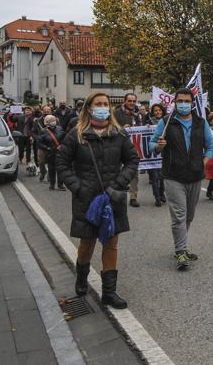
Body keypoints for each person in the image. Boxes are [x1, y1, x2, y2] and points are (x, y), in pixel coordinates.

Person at [56, 92, 139, 309]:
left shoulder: (119, 134)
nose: (103, 107)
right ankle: (82, 276)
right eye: (98, 104)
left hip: (113, 197)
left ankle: (109, 293)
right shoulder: (77, 135)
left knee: (111, 243)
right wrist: (77, 187)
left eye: (105, 104)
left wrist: (120, 183)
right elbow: (62, 163)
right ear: (89, 108)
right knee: (87, 243)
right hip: (86, 198)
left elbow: (132, 161)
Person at [150, 88, 213, 271]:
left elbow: (210, 146)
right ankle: (181, 251)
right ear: (175, 102)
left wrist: (203, 161)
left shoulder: (201, 123)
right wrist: (159, 145)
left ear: (192, 103)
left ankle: (181, 246)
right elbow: (153, 144)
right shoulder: (166, 121)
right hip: (173, 175)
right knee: (179, 215)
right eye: (180, 101)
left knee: (189, 215)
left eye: (187, 101)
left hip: (195, 176)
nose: (184, 104)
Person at [115, 93, 142, 207]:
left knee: (134, 173)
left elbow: (142, 127)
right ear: (124, 101)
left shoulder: (138, 115)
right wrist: (121, 129)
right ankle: (117, 194)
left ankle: (133, 197)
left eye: (133, 101)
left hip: (133, 148)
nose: (131, 103)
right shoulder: (116, 113)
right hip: (118, 147)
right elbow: (110, 127)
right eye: (129, 101)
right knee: (117, 171)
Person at [36, 115, 66, 190]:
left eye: (54, 120)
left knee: (60, 169)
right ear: (46, 123)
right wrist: (47, 148)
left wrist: (62, 146)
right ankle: (52, 184)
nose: (53, 122)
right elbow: (39, 143)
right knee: (52, 169)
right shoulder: (43, 131)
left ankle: (60, 185)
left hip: (60, 153)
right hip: (50, 153)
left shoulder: (60, 129)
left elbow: (65, 139)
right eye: (51, 121)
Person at [147, 103, 167, 206]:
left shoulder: (167, 122)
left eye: (159, 110)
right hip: (152, 155)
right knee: (154, 177)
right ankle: (157, 197)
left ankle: (162, 193)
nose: (158, 112)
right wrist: (146, 127)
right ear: (153, 112)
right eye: (155, 110)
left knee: (162, 176)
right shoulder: (148, 122)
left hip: (164, 154)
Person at [33, 106, 52, 182]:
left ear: (51, 111)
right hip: (41, 145)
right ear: (42, 111)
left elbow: (59, 130)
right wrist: (38, 138)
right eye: (45, 110)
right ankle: (43, 173)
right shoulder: (37, 121)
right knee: (41, 162)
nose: (46, 112)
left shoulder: (55, 120)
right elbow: (33, 131)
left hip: (51, 144)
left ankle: (50, 176)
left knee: (51, 162)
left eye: (48, 110)